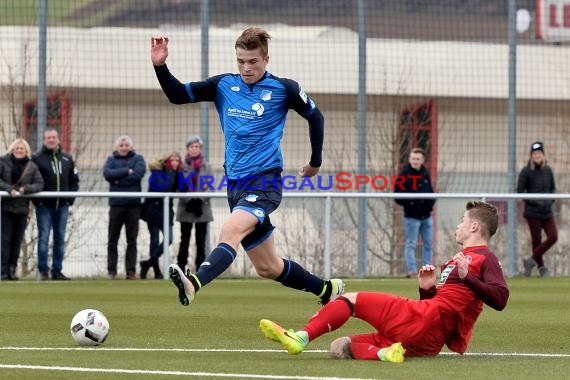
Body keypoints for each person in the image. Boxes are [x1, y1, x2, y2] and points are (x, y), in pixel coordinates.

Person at [151, 27, 344, 307]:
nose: (246, 67)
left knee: (230, 230)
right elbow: (178, 95)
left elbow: (316, 117)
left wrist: (315, 162)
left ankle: (193, 283)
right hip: (236, 186)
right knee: (268, 267)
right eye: (241, 61)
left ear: (266, 59)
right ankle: (328, 291)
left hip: (265, 182)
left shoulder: (284, 89)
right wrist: (160, 66)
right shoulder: (223, 86)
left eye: (253, 61)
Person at [260, 201, 509, 363]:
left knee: (350, 299)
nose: (458, 225)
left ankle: (301, 338)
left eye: (462, 221)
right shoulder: (459, 259)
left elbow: (500, 299)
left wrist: (468, 277)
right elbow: (443, 310)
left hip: (426, 324)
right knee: (339, 347)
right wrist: (427, 290)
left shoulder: (485, 258)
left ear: (474, 226)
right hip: (427, 340)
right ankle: (384, 353)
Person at [32, 128, 79, 281]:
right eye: (48, 137)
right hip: (44, 206)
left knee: (59, 238)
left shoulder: (67, 158)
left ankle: (57, 271)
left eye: (54, 137)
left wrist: (69, 199)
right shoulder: (37, 159)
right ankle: (43, 271)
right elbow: (32, 180)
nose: (51, 140)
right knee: (44, 237)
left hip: (62, 206)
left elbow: (75, 180)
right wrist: (37, 201)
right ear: (44, 140)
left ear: (58, 139)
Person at [0, 139, 44, 280]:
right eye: (17, 148)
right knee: (4, 240)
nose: (19, 150)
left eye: (22, 148)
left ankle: (12, 270)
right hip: (5, 207)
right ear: (12, 149)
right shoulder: (3, 162)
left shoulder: (32, 166)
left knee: (16, 240)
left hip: (22, 208)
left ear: (26, 151)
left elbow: (39, 184)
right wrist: (9, 189)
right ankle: (3, 271)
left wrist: (26, 190)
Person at [103, 135, 146, 280]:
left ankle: (131, 272)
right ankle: (112, 271)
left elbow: (138, 175)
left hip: (133, 206)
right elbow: (107, 174)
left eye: (126, 145)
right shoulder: (111, 160)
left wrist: (117, 180)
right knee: (112, 239)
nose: (124, 147)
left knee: (132, 240)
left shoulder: (138, 159)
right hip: (116, 205)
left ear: (131, 146)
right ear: (117, 147)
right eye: (121, 145)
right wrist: (127, 171)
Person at [517, 141, 557, 277]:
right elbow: (520, 191)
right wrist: (535, 202)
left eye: (539, 153)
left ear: (543, 155)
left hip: (547, 211)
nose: (537, 156)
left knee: (553, 236)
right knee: (537, 240)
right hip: (532, 212)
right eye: (534, 154)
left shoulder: (548, 170)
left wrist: (549, 202)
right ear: (531, 156)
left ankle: (530, 261)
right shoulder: (526, 171)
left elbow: (552, 189)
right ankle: (542, 268)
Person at [394, 147, 436, 277]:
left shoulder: (425, 173)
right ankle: (412, 271)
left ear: (422, 160)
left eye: (418, 159)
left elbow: (430, 191)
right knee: (411, 243)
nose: (415, 161)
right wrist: (412, 204)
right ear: (409, 159)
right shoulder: (404, 174)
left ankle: (427, 271)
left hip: (426, 216)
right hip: (412, 217)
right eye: (413, 158)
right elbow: (397, 195)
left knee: (428, 244)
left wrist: (430, 205)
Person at [140, 152, 182, 279]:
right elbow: (165, 189)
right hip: (153, 212)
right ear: (167, 162)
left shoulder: (176, 174)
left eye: (177, 161)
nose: (175, 163)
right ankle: (156, 271)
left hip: (167, 212)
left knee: (168, 239)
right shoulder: (158, 174)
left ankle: (147, 263)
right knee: (154, 241)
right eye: (172, 160)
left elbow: (182, 188)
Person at [176, 136, 214, 272]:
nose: (194, 149)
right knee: (184, 240)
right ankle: (180, 269)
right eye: (192, 146)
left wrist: (199, 200)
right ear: (187, 148)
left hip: (202, 209)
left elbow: (210, 186)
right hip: (185, 208)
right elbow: (178, 186)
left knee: (201, 242)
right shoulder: (181, 166)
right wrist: (189, 201)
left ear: (200, 148)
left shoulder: (207, 166)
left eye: (197, 146)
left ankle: (201, 271)